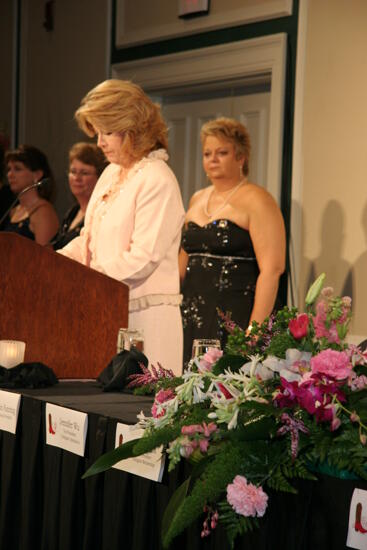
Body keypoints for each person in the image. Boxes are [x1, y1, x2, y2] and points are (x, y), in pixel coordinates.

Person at [58, 79, 185, 375]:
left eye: (108, 132)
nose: (100, 142)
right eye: (97, 132)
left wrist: (86, 280)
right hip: (106, 311)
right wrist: (56, 263)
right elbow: (88, 239)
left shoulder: (157, 178)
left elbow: (143, 257)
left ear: (134, 129)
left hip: (145, 320)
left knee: (138, 415)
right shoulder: (111, 173)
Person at [179, 117, 286, 364]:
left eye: (222, 152)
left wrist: (253, 332)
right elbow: (182, 261)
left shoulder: (258, 199)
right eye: (207, 153)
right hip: (192, 314)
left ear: (241, 157)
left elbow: (272, 269)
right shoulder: (197, 198)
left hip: (236, 315)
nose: (212, 159)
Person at [51, 142, 108, 249]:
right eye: (73, 171)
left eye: (84, 173)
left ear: (100, 177)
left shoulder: (99, 213)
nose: (77, 178)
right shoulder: (73, 212)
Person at [1, 145, 59, 245]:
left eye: (17, 169)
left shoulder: (43, 212)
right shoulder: (13, 210)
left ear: (37, 175)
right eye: (9, 169)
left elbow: (44, 258)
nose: (10, 174)